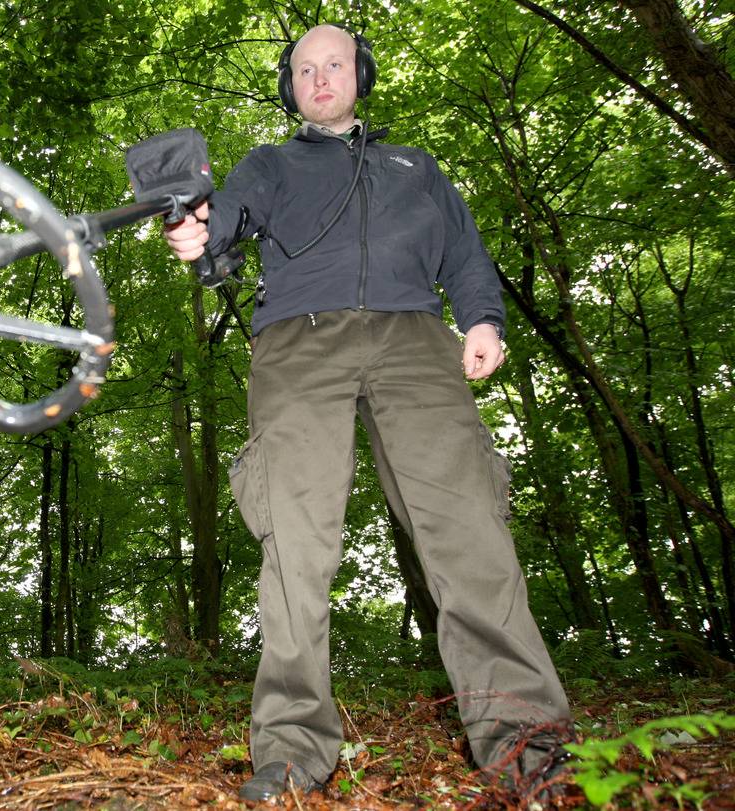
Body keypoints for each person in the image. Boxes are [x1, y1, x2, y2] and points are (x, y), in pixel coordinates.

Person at [162, 23, 573, 803]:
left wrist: (484, 317)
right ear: (290, 87)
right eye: (304, 69)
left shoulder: (416, 166)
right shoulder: (271, 163)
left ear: (361, 75)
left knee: (470, 531)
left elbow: (464, 248)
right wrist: (196, 229)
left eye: (335, 64)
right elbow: (225, 220)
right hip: (296, 342)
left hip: (417, 339)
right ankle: (289, 754)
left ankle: (528, 746)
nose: (320, 78)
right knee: (296, 542)